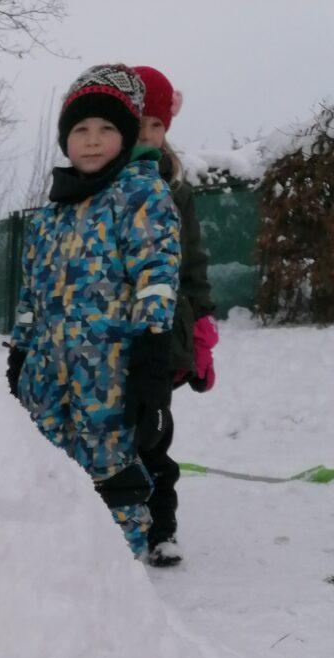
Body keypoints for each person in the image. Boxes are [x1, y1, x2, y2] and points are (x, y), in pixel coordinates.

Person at [6, 64, 181, 560]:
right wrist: (20, 354)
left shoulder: (141, 195)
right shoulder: (48, 216)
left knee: (111, 470)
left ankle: (116, 577)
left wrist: (151, 356)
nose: (92, 140)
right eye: (80, 129)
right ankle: (54, 561)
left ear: (126, 136)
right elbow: (29, 295)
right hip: (45, 371)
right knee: (48, 467)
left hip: (110, 372)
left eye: (106, 129)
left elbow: (157, 276)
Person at [133, 65, 219, 567]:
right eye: (138, 122)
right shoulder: (104, 184)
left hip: (165, 331)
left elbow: (194, 258)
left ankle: (161, 527)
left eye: (156, 125)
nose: (147, 134)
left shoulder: (175, 188)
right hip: (112, 331)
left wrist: (202, 322)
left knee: (153, 431)